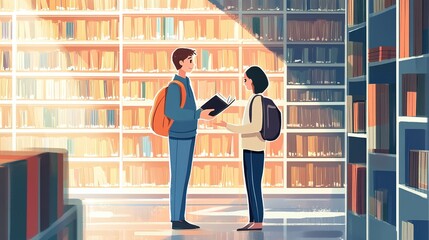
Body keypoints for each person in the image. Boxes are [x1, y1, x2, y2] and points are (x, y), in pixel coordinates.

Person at [165, 47, 215, 230]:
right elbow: (172, 112)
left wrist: (197, 115)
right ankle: (176, 219)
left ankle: (180, 216)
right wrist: (198, 115)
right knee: (178, 177)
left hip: (188, 133)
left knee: (183, 177)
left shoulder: (186, 82)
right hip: (179, 135)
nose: (193, 64)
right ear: (180, 63)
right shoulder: (175, 85)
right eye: (190, 60)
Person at [214, 65, 269, 231]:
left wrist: (229, 126)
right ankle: (253, 220)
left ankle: (258, 221)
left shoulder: (257, 100)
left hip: (254, 149)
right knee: (250, 186)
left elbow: (255, 126)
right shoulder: (253, 99)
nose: (244, 82)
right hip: (250, 148)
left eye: (245, 79)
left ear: (252, 80)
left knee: (254, 185)